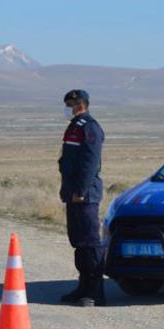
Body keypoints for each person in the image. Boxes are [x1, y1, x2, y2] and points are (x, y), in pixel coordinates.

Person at [57, 89, 106, 306]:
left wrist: (81, 191)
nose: (69, 109)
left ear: (82, 105)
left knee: (90, 242)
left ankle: (95, 293)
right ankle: (82, 287)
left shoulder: (90, 127)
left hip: (84, 194)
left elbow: (90, 163)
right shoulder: (74, 127)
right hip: (72, 191)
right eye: (68, 105)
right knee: (78, 241)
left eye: (72, 105)